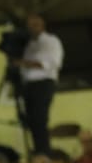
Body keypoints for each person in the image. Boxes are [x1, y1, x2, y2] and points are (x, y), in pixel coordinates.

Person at [16, 13, 64, 155]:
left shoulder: (51, 41)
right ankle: (37, 151)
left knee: (39, 119)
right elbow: (19, 64)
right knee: (29, 120)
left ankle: (44, 153)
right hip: (27, 84)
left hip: (44, 83)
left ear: (42, 25)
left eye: (35, 25)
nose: (32, 28)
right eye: (29, 25)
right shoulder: (26, 45)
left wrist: (26, 63)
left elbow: (54, 63)